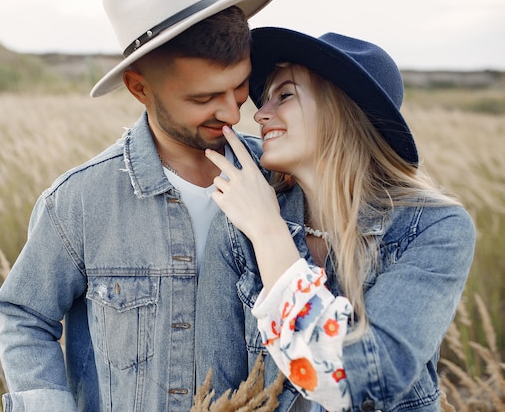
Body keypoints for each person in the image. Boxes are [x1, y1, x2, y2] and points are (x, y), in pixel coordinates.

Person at [0, 0, 279, 411]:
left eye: (240, 87)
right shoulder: (79, 201)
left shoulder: (283, 180)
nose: (233, 113)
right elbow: (23, 315)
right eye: (204, 99)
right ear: (139, 88)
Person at [202, 27, 476, 412]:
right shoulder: (236, 231)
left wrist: (269, 233)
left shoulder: (434, 229)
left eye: (285, 95)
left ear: (342, 109)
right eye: (265, 100)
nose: (261, 114)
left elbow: (363, 380)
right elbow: (219, 395)